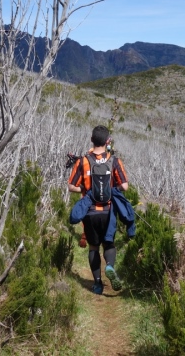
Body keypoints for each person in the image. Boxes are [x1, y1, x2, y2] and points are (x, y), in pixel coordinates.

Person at [68, 125, 131, 294]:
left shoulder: (83, 161)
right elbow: (124, 186)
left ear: (91, 140)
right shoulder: (114, 161)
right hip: (108, 211)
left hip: (90, 212)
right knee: (108, 243)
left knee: (94, 247)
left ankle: (97, 283)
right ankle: (109, 265)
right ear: (108, 141)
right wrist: (112, 189)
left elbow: (71, 186)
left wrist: (84, 189)